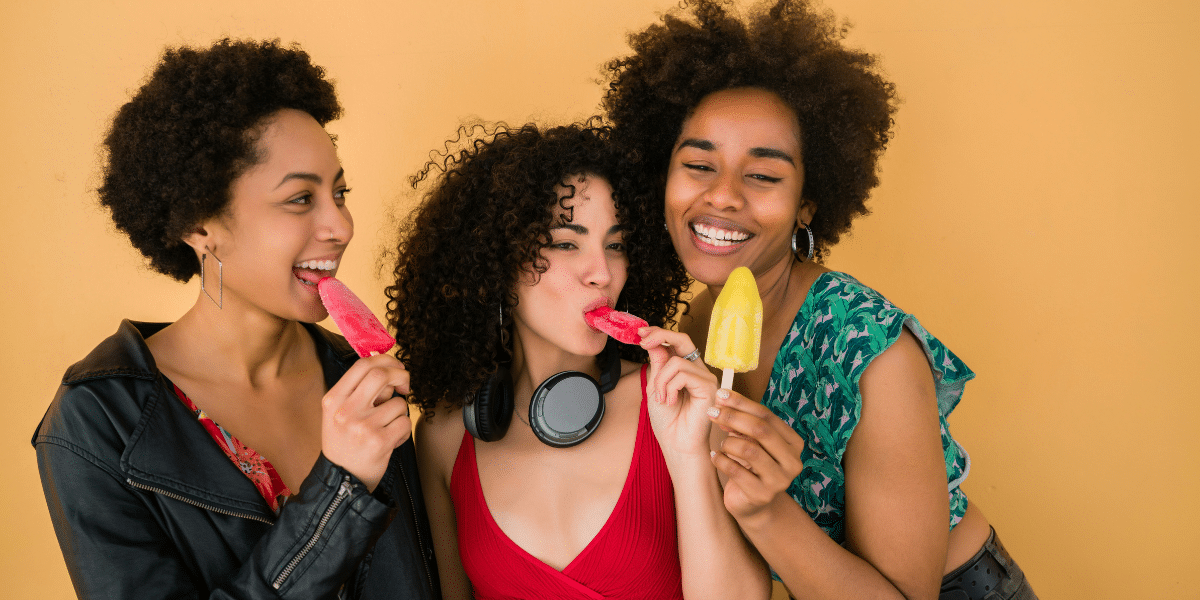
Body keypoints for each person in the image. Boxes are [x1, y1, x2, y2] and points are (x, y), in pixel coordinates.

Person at [602, 1, 1038, 599]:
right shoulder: (698, 325)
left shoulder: (870, 353)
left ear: (809, 202)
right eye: (699, 164)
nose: (722, 196)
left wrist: (764, 511)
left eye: (764, 175)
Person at [32, 39, 439, 599]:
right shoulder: (101, 422)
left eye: (340, 193)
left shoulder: (360, 378)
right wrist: (340, 490)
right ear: (201, 225)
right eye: (300, 199)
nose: (340, 225)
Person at [386, 121, 770, 600]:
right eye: (567, 243)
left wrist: (689, 454)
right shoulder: (444, 437)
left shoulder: (677, 401)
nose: (602, 273)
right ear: (497, 262)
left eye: (616, 245)